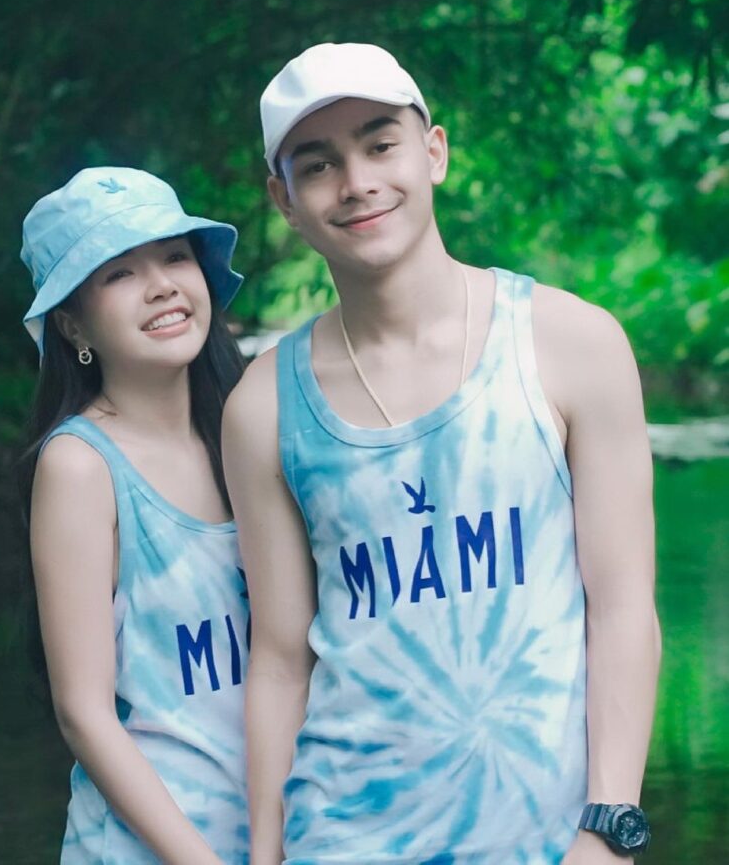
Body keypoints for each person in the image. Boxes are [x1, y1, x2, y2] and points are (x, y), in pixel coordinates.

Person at [222, 44, 661, 864]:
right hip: (342, 837)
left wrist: (609, 826)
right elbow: (280, 659)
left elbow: (623, 606)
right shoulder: (261, 407)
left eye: (380, 145)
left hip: (549, 841)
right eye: (318, 165)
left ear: (434, 153)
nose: (357, 183)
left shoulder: (571, 343)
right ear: (284, 200)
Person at [18, 166, 249, 864]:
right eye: (119, 273)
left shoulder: (248, 431)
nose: (161, 286)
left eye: (175, 256)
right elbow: (84, 715)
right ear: (73, 324)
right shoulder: (80, 466)